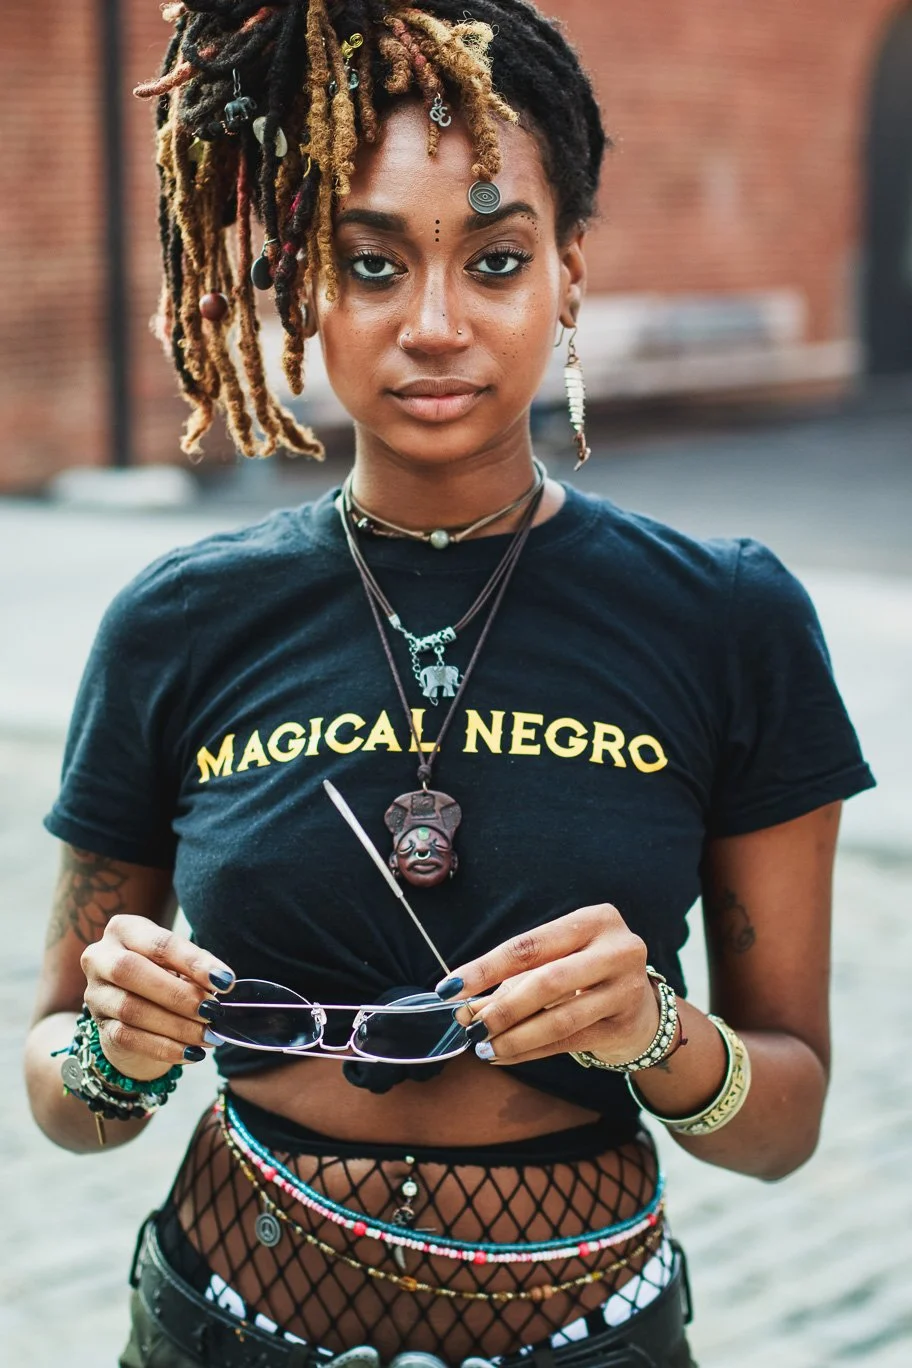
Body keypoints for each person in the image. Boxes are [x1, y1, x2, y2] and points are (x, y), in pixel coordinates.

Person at [24, 3, 875, 1367]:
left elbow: (786, 1123)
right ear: (303, 279)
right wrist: (109, 1050)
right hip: (217, 1328)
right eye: (369, 266)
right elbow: (63, 1089)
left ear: (569, 273)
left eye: (495, 259)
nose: (435, 324)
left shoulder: (726, 618)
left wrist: (654, 1031)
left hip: (594, 1338)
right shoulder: (178, 620)